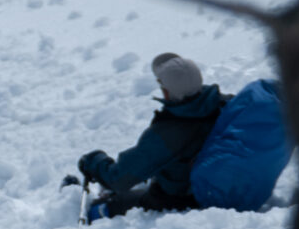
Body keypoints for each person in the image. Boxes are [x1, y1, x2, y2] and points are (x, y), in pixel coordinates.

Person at [76, 52, 231, 220]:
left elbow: (119, 178)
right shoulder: (224, 104)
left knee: (110, 204)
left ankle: (92, 209)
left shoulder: (170, 133)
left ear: (168, 92)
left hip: (179, 198)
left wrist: (94, 161)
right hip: (217, 184)